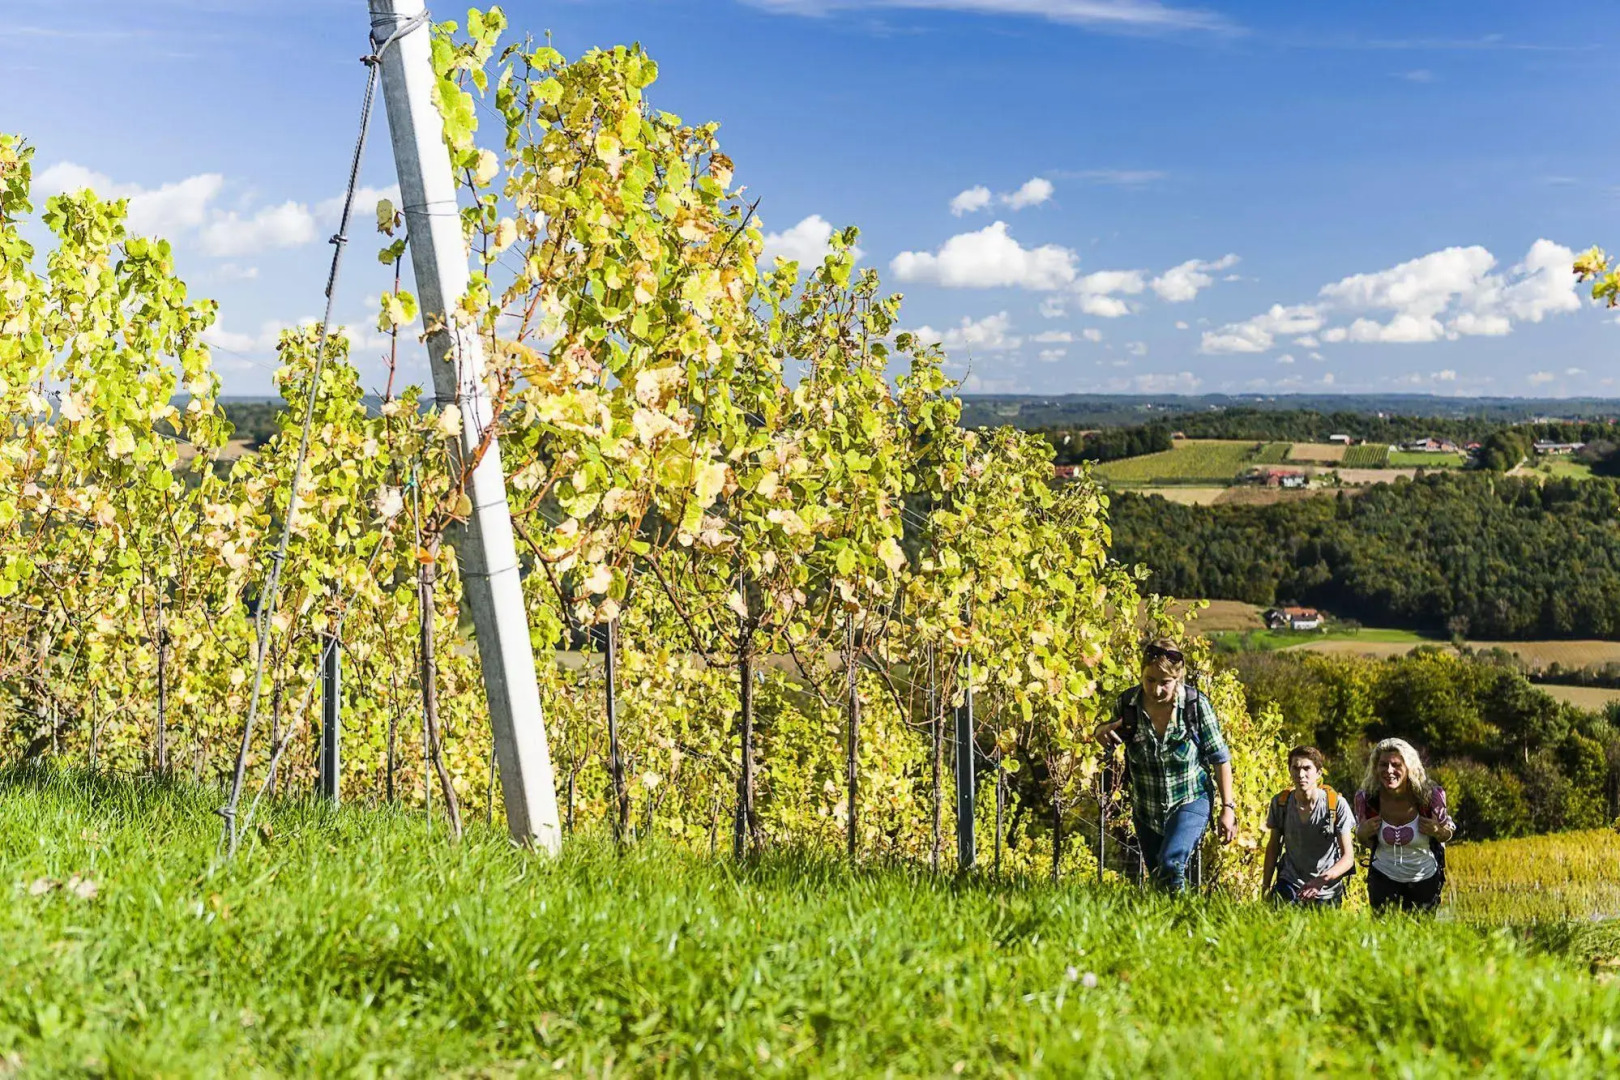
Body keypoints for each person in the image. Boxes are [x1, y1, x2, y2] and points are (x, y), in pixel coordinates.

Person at [1093, 639, 1238, 893]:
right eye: (1150, 680)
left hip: (1190, 798)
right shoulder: (1128, 705)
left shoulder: (1195, 705)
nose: (1157, 689)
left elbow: (1220, 758)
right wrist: (1102, 732)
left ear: (1178, 679)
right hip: (1147, 808)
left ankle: (1180, 919)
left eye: (1165, 683)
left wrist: (1228, 808)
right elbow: (1103, 731)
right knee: (1160, 876)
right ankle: (1172, 927)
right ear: (1141, 673)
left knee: (1171, 863)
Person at [1354, 737, 1454, 913]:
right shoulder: (1367, 798)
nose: (1389, 771)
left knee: (1420, 935)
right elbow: (1364, 840)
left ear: (1409, 768)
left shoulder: (1430, 797)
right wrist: (1361, 833)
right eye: (1383, 765)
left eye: (1396, 765)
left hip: (1424, 878)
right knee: (1384, 935)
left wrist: (1437, 830)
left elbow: (1447, 834)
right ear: (1375, 768)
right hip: (1382, 877)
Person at [1261, 746, 1355, 907]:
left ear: (1318, 773)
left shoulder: (1336, 805)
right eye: (1295, 768)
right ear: (1289, 770)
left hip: (1326, 890)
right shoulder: (1280, 803)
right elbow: (1273, 847)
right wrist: (1265, 887)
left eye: (1307, 768)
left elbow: (1348, 858)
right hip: (1289, 883)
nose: (1300, 774)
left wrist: (1321, 880)